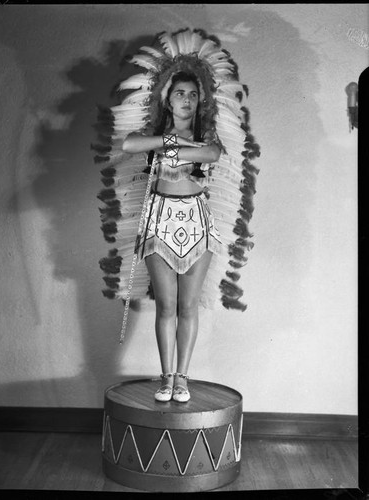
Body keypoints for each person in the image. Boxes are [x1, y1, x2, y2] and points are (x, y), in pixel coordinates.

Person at [94, 28, 260, 403]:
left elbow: (211, 155)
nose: (186, 99)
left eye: (192, 94)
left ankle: (183, 378)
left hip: (197, 220)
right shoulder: (156, 134)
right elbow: (130, 144)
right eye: (179, 93)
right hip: (159, 219)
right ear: (167, 99)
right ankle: (166, 377)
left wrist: (181, 146)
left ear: (201, 99)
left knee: (187, 305)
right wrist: (174, 141)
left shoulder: (209, 135)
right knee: (165, 305)